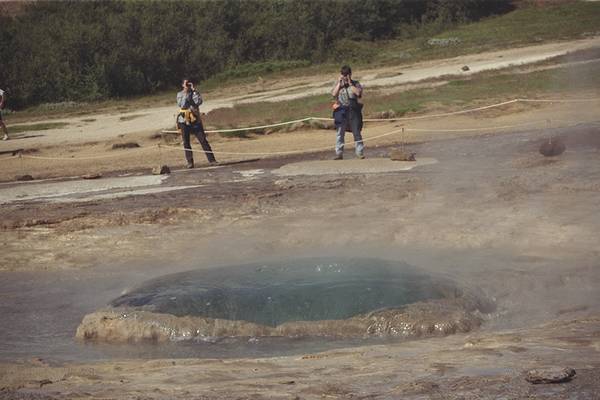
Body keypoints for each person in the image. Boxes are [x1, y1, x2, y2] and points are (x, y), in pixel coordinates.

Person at [176, 78, 216, 168]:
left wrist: (194, 91)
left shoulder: (194, 93)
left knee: (203, 140)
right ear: (182, 85)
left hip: (195, 120)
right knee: (186, 142)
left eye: (189, 83)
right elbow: (182, 105)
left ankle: (212, 160)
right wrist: (186, 93)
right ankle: (190, 162)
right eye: (186, 84)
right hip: (184, 120)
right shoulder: (180, 94)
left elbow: (198, 102)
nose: (188, 85)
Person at [331, 65, 364, 160]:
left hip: (353, 111)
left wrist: (350, 83)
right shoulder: (338, 84)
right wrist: (339, 83)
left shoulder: (355, 83)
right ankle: (339, 153)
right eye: (343, 74)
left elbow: (358, 93)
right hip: (341, 111)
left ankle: (359, 152)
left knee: (356, 132)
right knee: (340, 133)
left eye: (346, 74)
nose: (345, 76)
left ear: (350, 74)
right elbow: (333, 94)